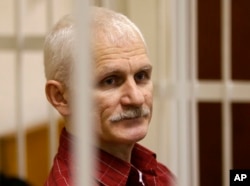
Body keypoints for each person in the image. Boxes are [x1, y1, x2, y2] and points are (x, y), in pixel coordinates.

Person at [44, 6, 175, 186]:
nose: (136, 98)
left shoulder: (158, 174)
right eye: (110, 81)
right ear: (60, 97)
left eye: (141, 76)